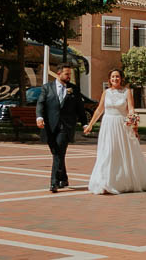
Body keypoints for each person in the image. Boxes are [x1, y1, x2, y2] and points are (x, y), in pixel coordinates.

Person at [83, 68, 146, 195]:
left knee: (122, 153)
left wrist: (133, 122)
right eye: (112, 77)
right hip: (108, 125)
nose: (115, 79)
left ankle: (121, 181)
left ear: (121, 78)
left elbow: (131, 109)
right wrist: (90, 125)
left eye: (117, 76)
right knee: (108, 152)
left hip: (122, 125)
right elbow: (99, 110)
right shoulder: (106, 93)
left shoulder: (127, 92)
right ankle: (105, 182)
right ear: (109, 79)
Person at [37, 63, 88, 193]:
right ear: (58, 74)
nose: (69, 76)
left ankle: (54, 182)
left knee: (58, 153)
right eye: (67, 74)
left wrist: (85, 123)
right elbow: (41, 104)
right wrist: (39, 117)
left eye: (70, 74)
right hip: (50, 126)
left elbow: (80, 108)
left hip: (65, 127)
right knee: (57, 153)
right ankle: (63, 178)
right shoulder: (47, 88)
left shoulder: (74, 89)